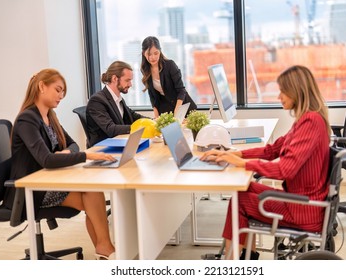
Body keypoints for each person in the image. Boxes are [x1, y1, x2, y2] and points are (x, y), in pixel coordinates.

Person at [200, 65, 331, 260]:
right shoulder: (306, 119)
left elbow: (284, 170)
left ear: (296, 91)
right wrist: (235, 154)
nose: (279, 97)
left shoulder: (311, 122)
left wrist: (241, 163)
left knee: (239, 200)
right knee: (242, 191)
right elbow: (272, 150)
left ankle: (231, 262)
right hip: (300, 202)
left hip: (303, 210)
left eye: (283, 92)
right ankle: (247, 255)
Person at [9, 69, 116, 260]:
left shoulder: (50, 117)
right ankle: (106, 249)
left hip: (48, 180)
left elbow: (72, 144)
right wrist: (86, 155)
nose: (61, 96)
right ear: (42, 86)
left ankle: (104, 249)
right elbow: (46, 159)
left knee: (92, 192)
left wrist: (66, 152)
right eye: (58, 90)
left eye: (63, 93)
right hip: (31, 189)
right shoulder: (27, 119)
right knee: (91, 196)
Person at [86, 61, 148, 147]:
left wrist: (152, 121)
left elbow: (133, 116)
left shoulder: (118, 99)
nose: (130, 84)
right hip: (103, 149)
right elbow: (111, 129)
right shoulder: (97, 101)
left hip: (119, 144)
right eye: (127, 80)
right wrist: (140, 127)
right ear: (114, 78)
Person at [140, 36, 197, 118]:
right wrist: (156, 117)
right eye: (149, 54)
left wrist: (177, 113)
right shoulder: (145, 69)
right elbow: (153, 96)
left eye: (156, 53)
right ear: (143, 53)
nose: (153, 57)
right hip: (166, 111)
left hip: (183, 107)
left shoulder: (170, 65)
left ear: (160, 51)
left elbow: (181, 90)